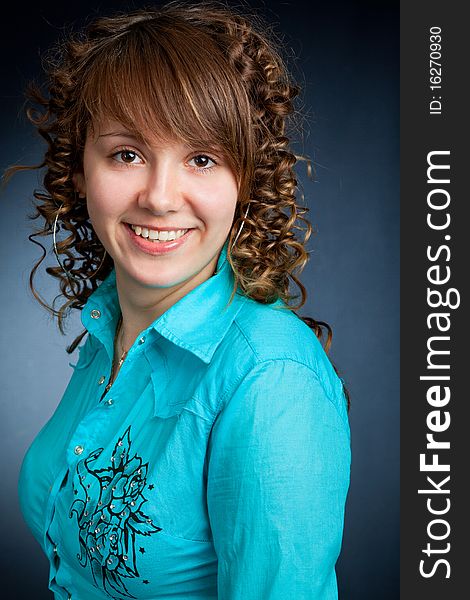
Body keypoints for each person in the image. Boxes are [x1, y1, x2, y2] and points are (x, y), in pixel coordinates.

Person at [10, 2, 351, 598]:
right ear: (79, 169)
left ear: (243, 182)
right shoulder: (109, 324)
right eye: (127, 154)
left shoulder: (272, 379)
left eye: (201, 158)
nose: (162, 198)